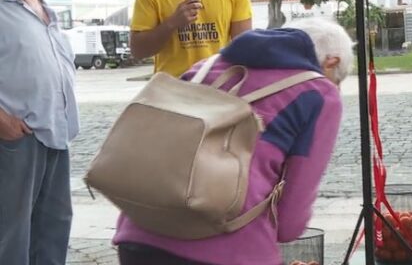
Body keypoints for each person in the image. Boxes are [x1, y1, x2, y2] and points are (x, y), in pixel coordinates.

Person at [114, 16, 352, 265]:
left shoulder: (205, 67)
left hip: (139, 237)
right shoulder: (320, 94)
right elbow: (290, 224)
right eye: (338, 80)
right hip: (230, 250)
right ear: (330, 62)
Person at [0, 0, 79, 265]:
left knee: (54, 226)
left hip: (56, 133)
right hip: (19, 138)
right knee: (13, 233)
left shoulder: (46, 5)